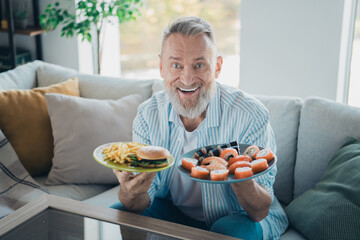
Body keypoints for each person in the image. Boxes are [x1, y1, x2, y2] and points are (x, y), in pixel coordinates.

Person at [112, 16, 288, 240]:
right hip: (174, 212)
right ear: (161, 67)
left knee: (230, 231)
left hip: (239, 218)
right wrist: (130, 191)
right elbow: (137, 203)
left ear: (217, 67)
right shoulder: (148, 115)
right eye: (176, 65)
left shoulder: (250, 115)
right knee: (119, 212)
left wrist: (239, 175)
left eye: (199, 65)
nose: (187, 79)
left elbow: (259, 211)